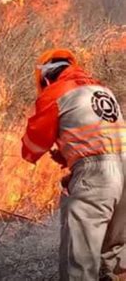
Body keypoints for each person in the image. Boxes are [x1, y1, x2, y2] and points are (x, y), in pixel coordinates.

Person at [21, 48, 126, 281]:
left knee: (80, 262)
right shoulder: (101, 90)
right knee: (117, 256)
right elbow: (99, 139)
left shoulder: (56, 92)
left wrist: (29, 152)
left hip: (96, 177)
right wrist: (71, 156)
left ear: (47, 77)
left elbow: (34, 143)